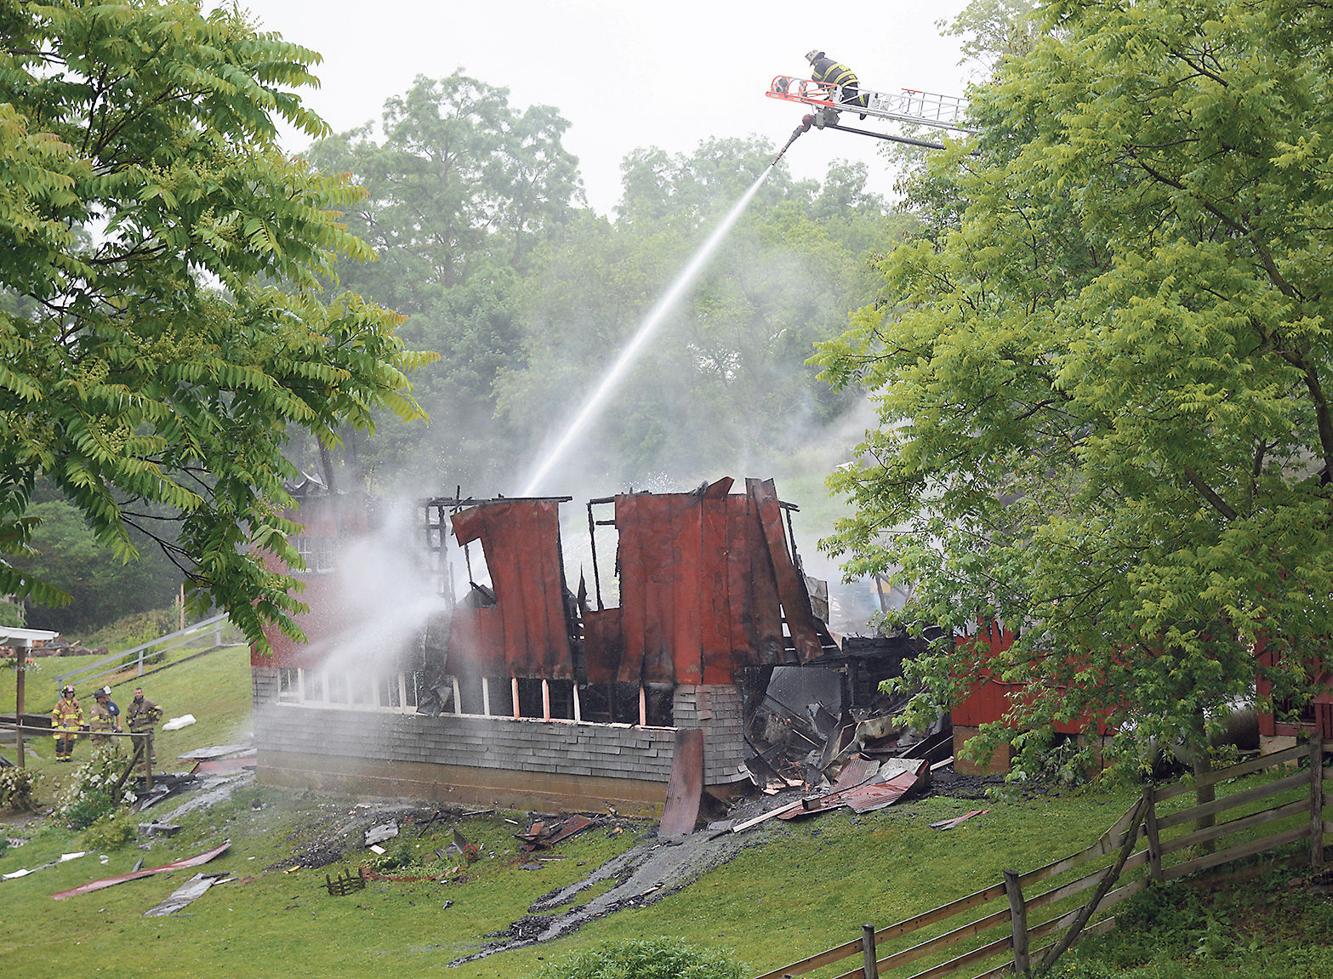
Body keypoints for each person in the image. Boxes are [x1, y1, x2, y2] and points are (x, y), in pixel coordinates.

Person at [805, 50, 868, 119]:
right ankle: (862, 108)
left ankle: (866, 98)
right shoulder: (828, 62)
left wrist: (819, 84)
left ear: (815, 60)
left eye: (813, 63)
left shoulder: (820, 63)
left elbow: (815, 77)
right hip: (849, 80)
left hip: (843, 82)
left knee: (848, 101)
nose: (814, 65)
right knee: (847, 101)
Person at [127, 687, 163, 770]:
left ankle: (152, 763)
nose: (137, 695)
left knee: (149, 745)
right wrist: (130, 724)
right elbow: (128, 717)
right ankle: (140, 763)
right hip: (136, 731)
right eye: (136, 693)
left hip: (146, 729)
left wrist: (155, 720)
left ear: (142, 693)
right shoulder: (131, 705)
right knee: (137, 747)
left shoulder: (148, 703)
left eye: (139, 693)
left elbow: (160, 709)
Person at [50, 685, 83, 763]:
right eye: (68, 693)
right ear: (65, 694)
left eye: (71, 693)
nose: (70, 694)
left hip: (73, 727)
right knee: (61, 743)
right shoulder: (60, 704)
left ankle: (68, 757)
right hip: (62, 727)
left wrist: (81, 725)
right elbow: (54, 716)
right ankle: (59, 758)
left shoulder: (76, 703)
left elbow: (80, 715)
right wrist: (55, 726)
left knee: (70, 743)